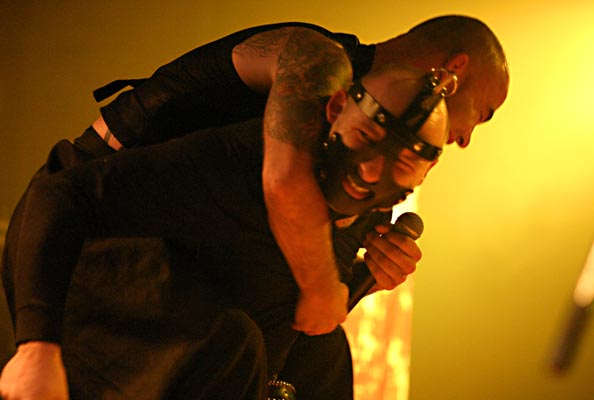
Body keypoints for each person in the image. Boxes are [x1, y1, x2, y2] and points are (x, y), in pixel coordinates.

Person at [1, 62, 449, 400]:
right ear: (335, 109)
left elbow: (293, 311)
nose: (371, 171)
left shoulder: (373, 218)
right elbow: (61, 194)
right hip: (100, 301)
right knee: (232, 344)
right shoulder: (239, 163)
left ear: (424, 175)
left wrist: (358, 283)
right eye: (366, 137)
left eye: (402, 163)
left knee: (323, 353)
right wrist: (37, 348)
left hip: (223, 342)